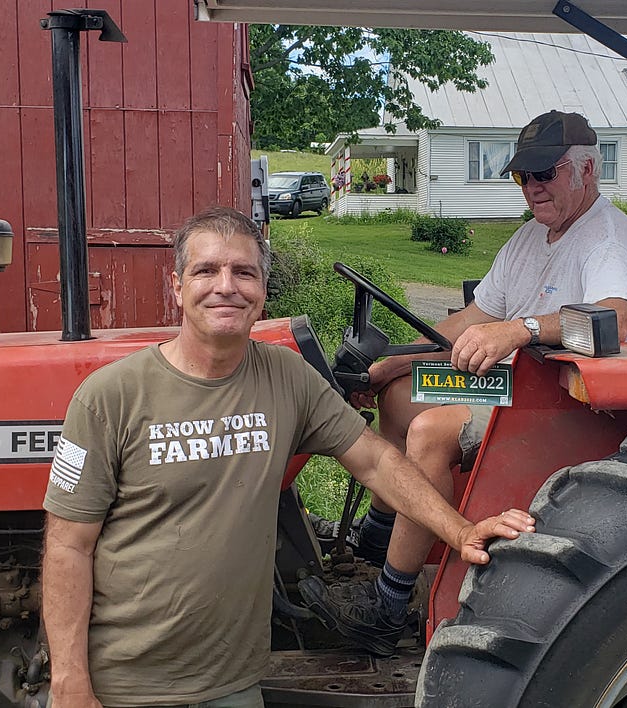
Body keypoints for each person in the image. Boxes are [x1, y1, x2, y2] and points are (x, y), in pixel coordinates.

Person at [41, 206, 535, 708]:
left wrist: (460, 531)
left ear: (262, 289)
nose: (226, 287)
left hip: (232, 683)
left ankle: (385, 584)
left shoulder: (286, 377)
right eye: (206, 270)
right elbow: (67, 546)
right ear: (177, 286)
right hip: (126, 686)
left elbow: (376, 461)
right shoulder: (109, 397)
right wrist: (69, 682)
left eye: (243, 272)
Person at [302, 110, 627, 655]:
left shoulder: (606, 238)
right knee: (398, 396)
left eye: (546, 174)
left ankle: (387, 608)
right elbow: (473, 319)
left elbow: (616, 320)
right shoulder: (531, 238)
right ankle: (378, 538)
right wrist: (396, 361)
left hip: (570, 404)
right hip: (520, 387)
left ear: (588, 170)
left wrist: (521, 329)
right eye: (523, 176)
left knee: (431, 431)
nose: (532, 187)